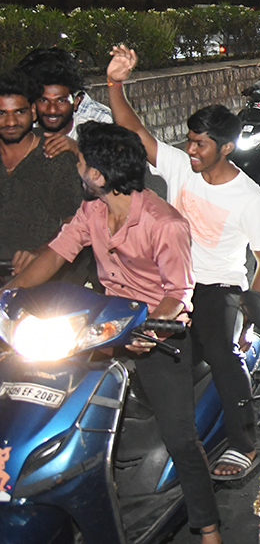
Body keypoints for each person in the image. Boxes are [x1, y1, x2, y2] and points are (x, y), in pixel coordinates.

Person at [3, 123, 221, 543]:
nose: (78, 168)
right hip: (101, 328)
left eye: (82, 162)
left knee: (180, 436)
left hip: (158, 332)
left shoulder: (164, 223)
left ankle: (210, 530)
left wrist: (148, 331)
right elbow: (56, 253)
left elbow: (178, 293)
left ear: (99, 175)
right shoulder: (93, 211)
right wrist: (10, 293)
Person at [106, 46, 260, 481]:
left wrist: (250, 310)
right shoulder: (181, 166)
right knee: (125, 343)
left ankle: (244, 444)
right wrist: (114, 84)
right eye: (189, 140)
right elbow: (134, 130)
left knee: (222, 353)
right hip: (167, 283)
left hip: (218, 286)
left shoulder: (250, 197)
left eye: (200, 143)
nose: (190, 148)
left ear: (226, 147)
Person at [0, 70, 83, 269]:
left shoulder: (55, 155)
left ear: (33, 112)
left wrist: (41, 253)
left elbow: (75, 221)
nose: (11, 123)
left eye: (19, 112)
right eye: (2, 114)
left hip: (49, 278)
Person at [18, 47, 113, 142]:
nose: (52, 110)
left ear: (76, 101)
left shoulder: (99, 120)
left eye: (61, 100)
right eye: (43, 100)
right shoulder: (20, 124)